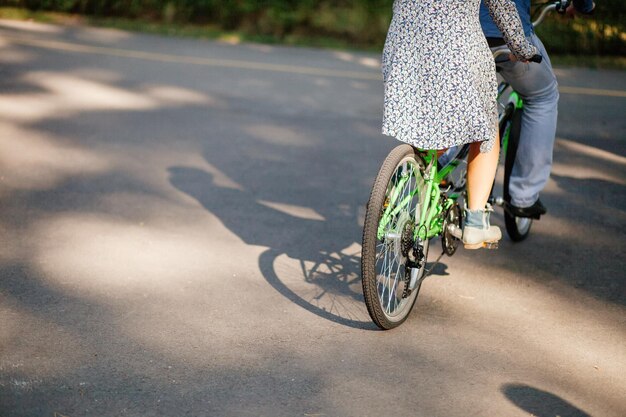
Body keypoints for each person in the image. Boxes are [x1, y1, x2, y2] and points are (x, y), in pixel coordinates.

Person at [382, 0, 538, 249]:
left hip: (403, 46)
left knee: (423, 115)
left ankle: (421, 179)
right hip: (457, 49)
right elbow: (501, 6)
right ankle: (475, 222)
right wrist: (520, 47)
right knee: (485, 131)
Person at [479, 0, 596, 218]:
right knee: (543, 96)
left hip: (456, 33)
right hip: (505, 35)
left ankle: (444, 164)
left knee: (460, 101)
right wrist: (582, 6)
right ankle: (524, 196)